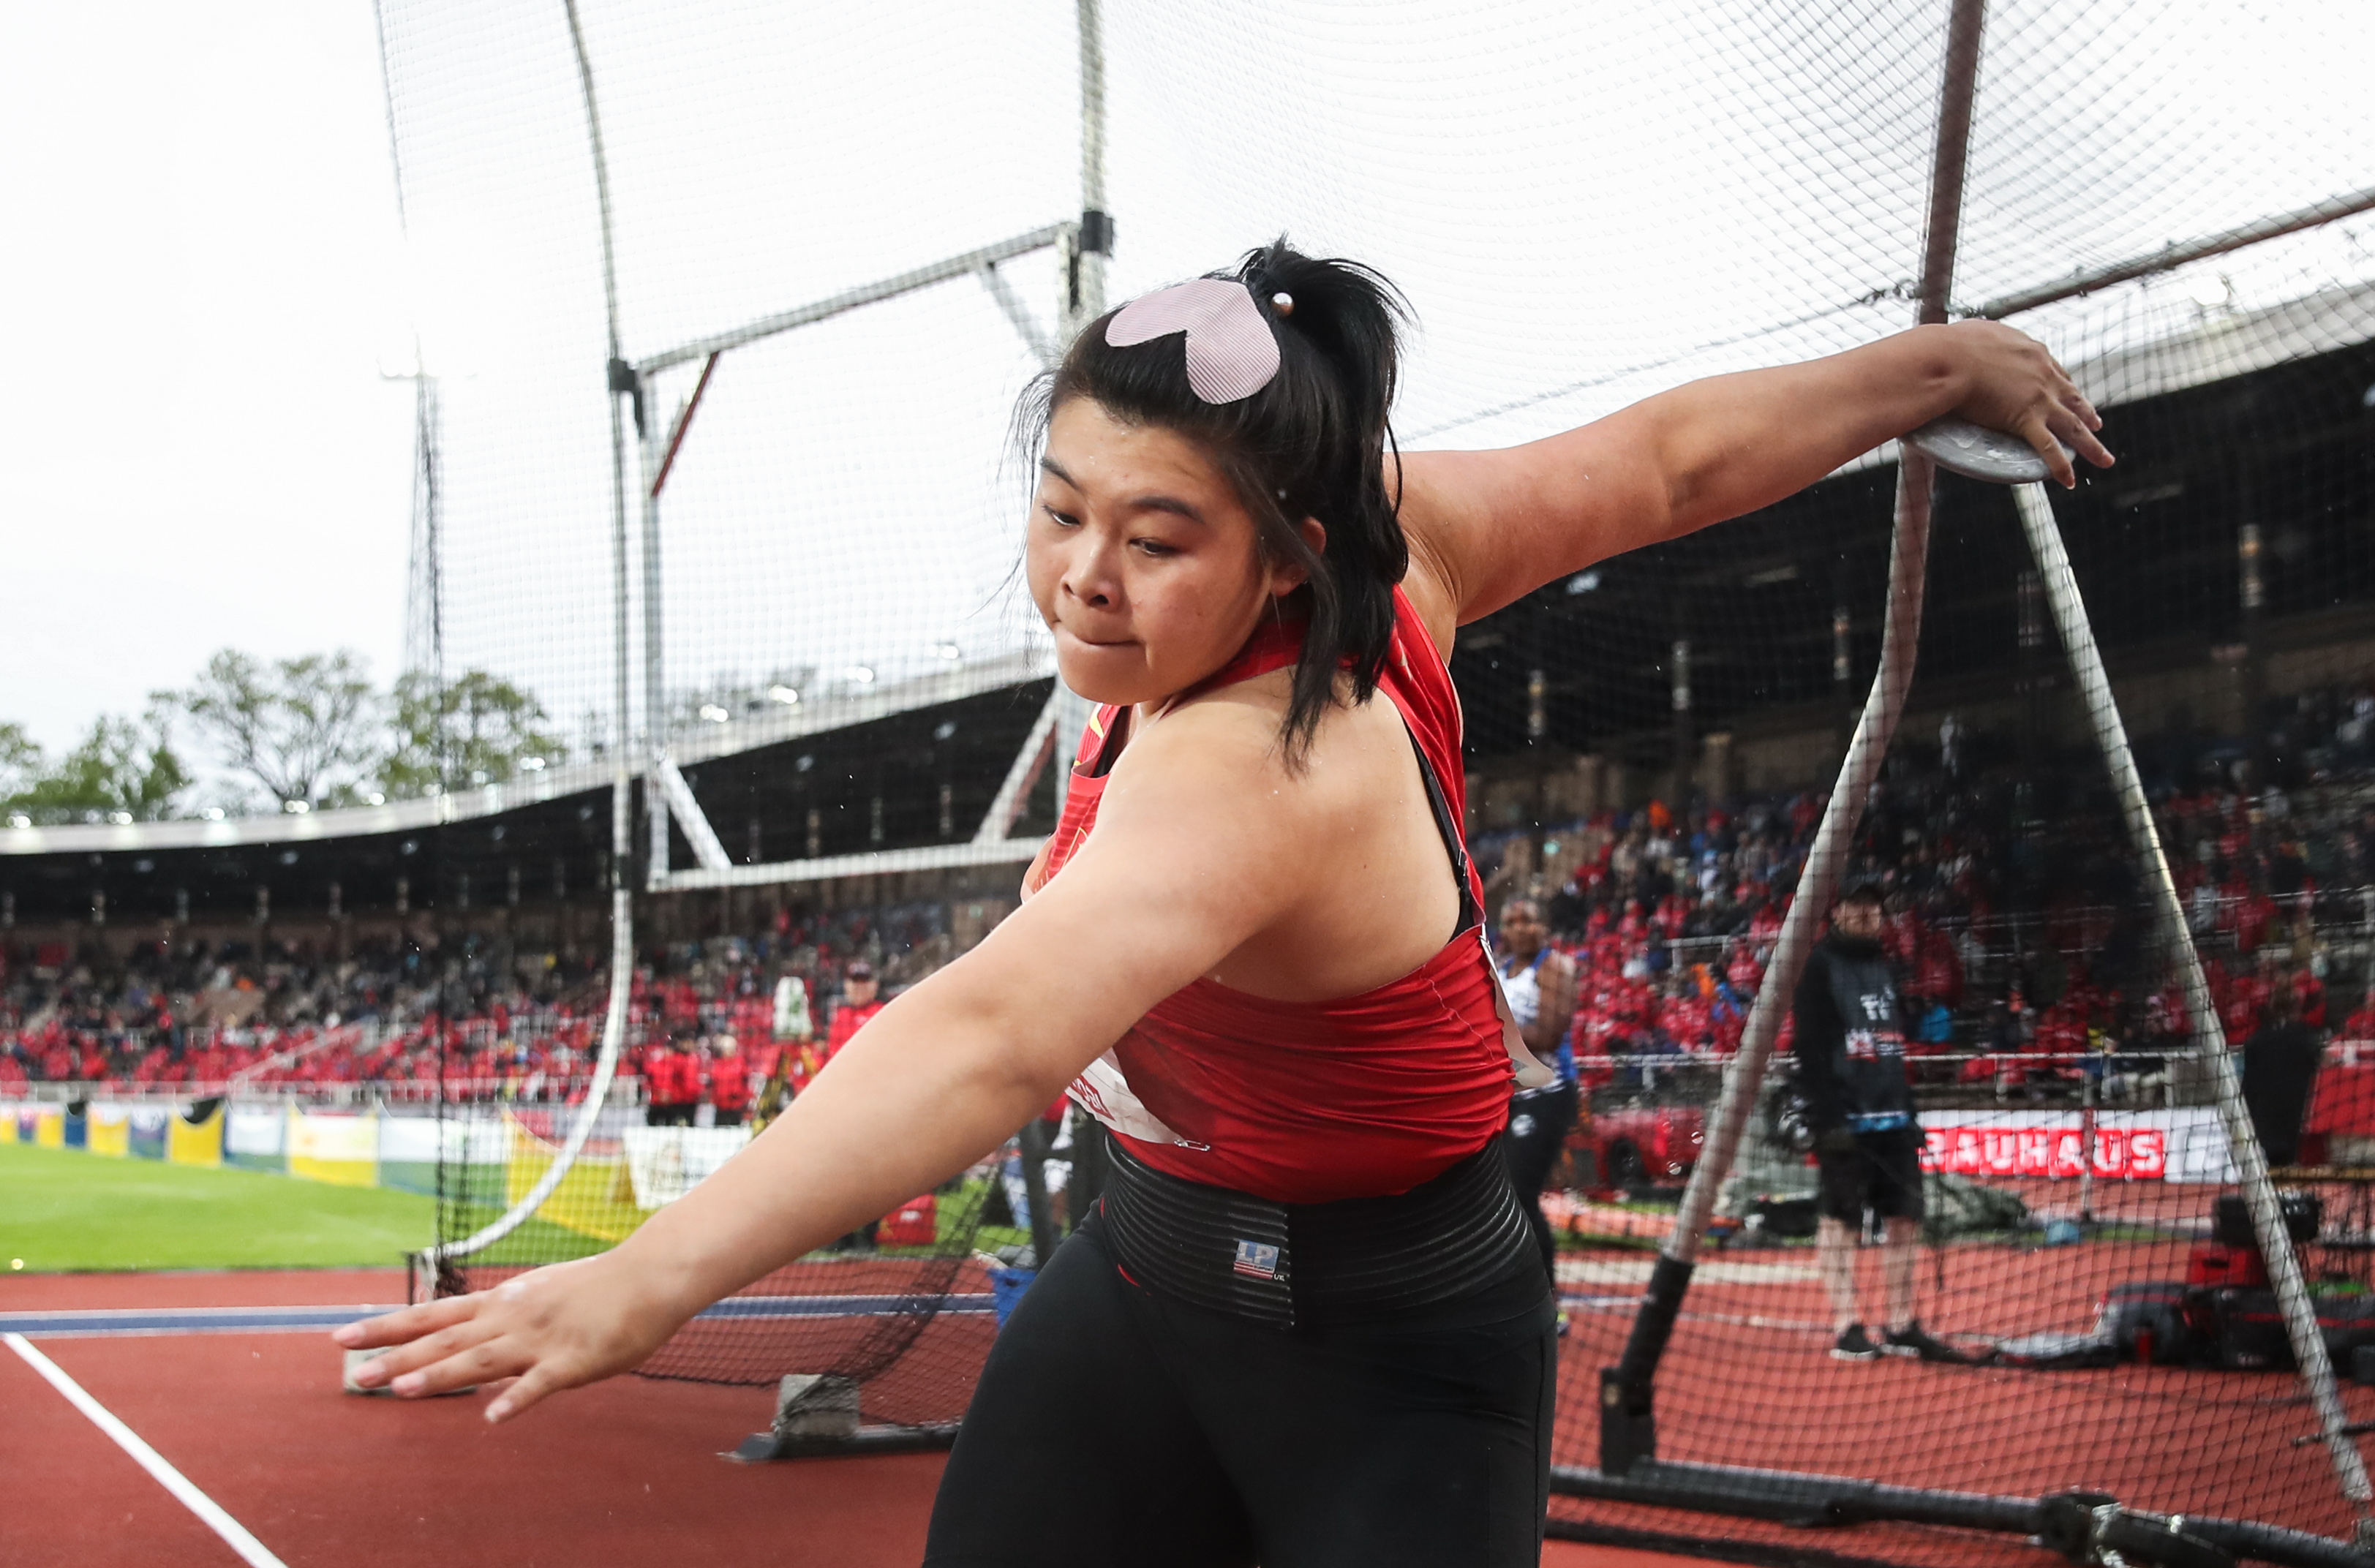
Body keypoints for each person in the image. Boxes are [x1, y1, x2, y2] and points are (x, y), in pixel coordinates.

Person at [338, 241, 2104, 1565]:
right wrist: (1926, 366)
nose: (1082, 579)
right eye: (1056, 509)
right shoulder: (1345, 560)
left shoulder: (1272, 763)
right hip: (1147, 1275)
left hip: (1390, 1353)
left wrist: (649, 1277)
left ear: (1288, 549)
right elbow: (1664, 464)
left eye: (1155, 537)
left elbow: (989, 1032)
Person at [1793, 881, 1954, 1362]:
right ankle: (1847, 1324)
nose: (1865, 914)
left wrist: (1909, 1112)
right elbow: (1810, 1050)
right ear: (1836, 912)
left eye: (1873, 907)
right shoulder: (1819, 967)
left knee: (1904, 1219)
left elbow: (1890, 1045)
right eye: (1855, 906)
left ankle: (1901, 1323)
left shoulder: (1885, 966)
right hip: (1845, 1119)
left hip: (1892, 1118)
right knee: (1840, 1221)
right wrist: (1826, 1120)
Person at [1496, 897, 1581, 1288]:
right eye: (1511, 921)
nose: (1520, 928)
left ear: (1542, 926)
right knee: (1496, 1198)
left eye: (1528, 920)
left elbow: (1548, 1033)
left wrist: (1486, 1028)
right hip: (1507, 1095)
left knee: (1521, 1194)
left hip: (1546, 1093)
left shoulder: (1556, 967)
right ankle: (1509, 1289)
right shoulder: (1502, 968)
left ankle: (1547, 1299)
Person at [2241, 979, 2321, 1169]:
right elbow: (2319, 1067)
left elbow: (2248, 1082)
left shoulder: (2258, 1039)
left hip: (2263, 1115)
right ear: (2297, 1007)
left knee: (2265, 1165)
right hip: (2295, 1114)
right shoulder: (2306, 1037)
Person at [706, 1035, 751, 1128]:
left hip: (736, 1105)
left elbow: (746, 1082)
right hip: (720, 1105)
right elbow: (712, 1084)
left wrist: (746, 1097)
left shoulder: (740, 1064)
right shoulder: (716, 1064)